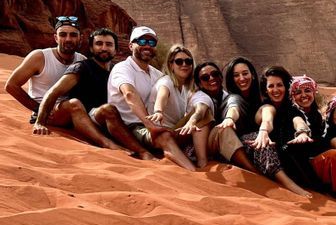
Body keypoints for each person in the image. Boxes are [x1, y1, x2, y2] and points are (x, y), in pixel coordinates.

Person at [29, 28, 153, 158]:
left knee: (113, 111)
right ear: (92, 49)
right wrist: (40, 122)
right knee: (78, 104)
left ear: (115, 50)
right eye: (99, 44)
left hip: (102, 118)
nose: (104, 48)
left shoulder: (117, 71)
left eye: (109, 44)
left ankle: (144, 148)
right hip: (78, 116)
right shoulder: (82, 67)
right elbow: (53, 92)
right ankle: (112, 145)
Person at [106, 26, 196, 171]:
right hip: (131, 126)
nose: (147, 45)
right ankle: (193, 172)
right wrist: (152, 126)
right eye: (142, 41)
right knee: (164, 137)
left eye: (152, 42)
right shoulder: (122, 68)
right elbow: (129, 94)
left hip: (153, 124)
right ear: (131, 46)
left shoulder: (156, 74)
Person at [239, 66, 312, 197]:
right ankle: (290, 185)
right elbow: (268, 119)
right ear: (265, 90)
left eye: (280, 85)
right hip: (254, 146)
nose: (276, 90)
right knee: (264, 143)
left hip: (276, 154)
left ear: (286, 87)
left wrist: (302, 132)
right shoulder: (265, 107)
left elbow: (298, 120)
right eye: (271, 86)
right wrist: (263, 132)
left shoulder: (291, 109)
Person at [5, 16, 86, 125]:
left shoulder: (82, 60)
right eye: (63, 35)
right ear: (56, 38)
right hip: (46, 117)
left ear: (80, 38)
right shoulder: (40, 57)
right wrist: (38, 109)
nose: (68, 39)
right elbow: (11, 85)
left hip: (70, 114)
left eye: (73, 35)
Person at [190, 61, 258, 172]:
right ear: (200, 84)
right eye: (205, 77)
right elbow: (201, 110)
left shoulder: (226, 95)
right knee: (223, 129)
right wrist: (229, 119)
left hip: (216, 142)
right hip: (196, 146)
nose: (211, 78)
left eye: (215, 74)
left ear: (221, 77)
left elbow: (233, 105)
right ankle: (253, 171)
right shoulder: (200, 97)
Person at [148, 45, 209, 167]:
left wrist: (192, 121)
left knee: (202, 109)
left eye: (188, 61)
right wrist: (158, 111)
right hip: (162, 135)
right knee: (205, 115)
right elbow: (162, 96)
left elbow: (200, 103)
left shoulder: (185, 87)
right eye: (179, 61)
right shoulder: (166, 81)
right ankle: (202, 162)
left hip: (174, 131)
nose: (184, 64)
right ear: (171, 65)